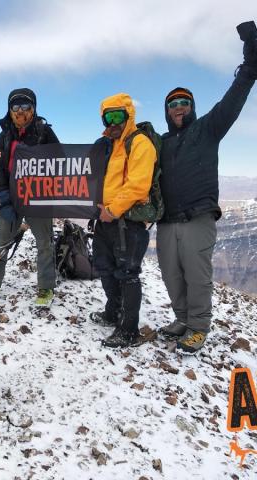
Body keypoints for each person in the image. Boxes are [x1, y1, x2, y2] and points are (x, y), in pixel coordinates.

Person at [157, 33, 257, 353]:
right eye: (173, 103)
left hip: (198, 216)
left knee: (196, 275)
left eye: (184, 102)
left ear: (193, 107)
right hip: (166, 220)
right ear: (167, 111)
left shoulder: (208, 128)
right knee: (172, 275)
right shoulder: (161, 142)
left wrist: (250, 66)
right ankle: (183, 319)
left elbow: (234, 97)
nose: (179, 107)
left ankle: (198, 327)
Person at [91, 93, 156, 348]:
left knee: (127, 273)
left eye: (118, 116)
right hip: (106, 220)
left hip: (128, 222)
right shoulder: (111, 145)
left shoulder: (139, 143)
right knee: (105, 267)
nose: (113, 122)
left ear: (129, 115)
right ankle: (113, 311)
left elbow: (139, 186)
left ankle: (128, 330)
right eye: (108, 117)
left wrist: (113, 209)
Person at [0, 88, 59, 307]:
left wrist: (47, 190)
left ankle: (46, 287)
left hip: (38, 198)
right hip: (11, 198)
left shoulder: (44, 132)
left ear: (33, 108)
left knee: (44, 243)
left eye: (26, 106)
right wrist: (4, 193)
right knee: (0, 240)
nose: (20, 111)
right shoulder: (5, 134)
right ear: (9, 109)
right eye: (15, 107)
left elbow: (60, 160)